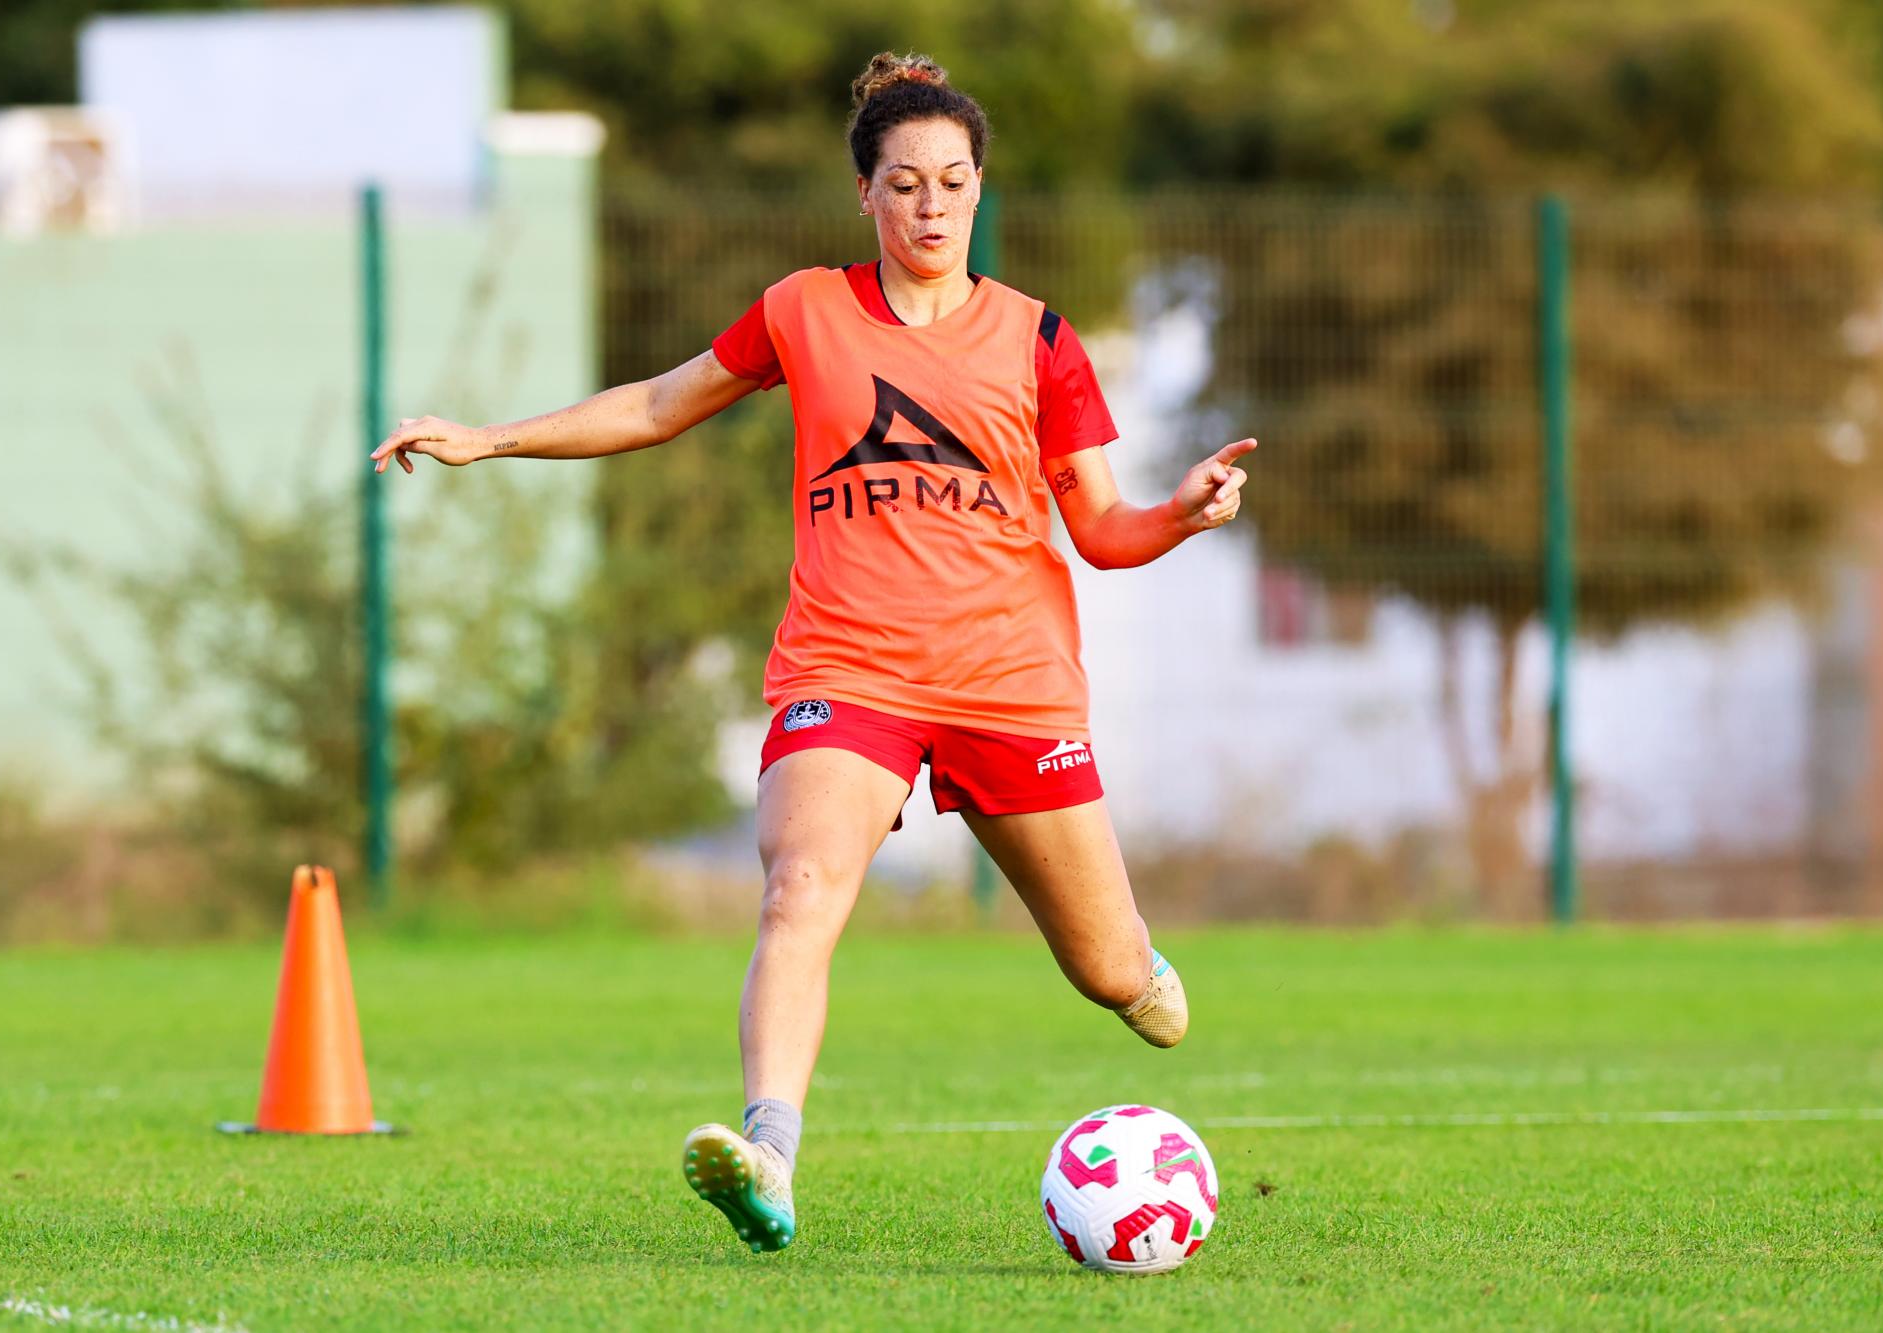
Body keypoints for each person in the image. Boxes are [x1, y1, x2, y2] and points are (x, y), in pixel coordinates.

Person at [372, 50, 1254, 1255]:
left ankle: (1132, 965)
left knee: (1109, 978)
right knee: (797, 886)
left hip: (1010, 682)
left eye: (950, 182)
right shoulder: (804, 309)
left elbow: (1101, 532)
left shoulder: (1041, 341)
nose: (929, 206)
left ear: (980, 189)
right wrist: (487, 439)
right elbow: (654, 405)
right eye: (903, 184)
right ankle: (769, 1157)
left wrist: (1183, 511)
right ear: (865, 195)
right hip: (845, 670)